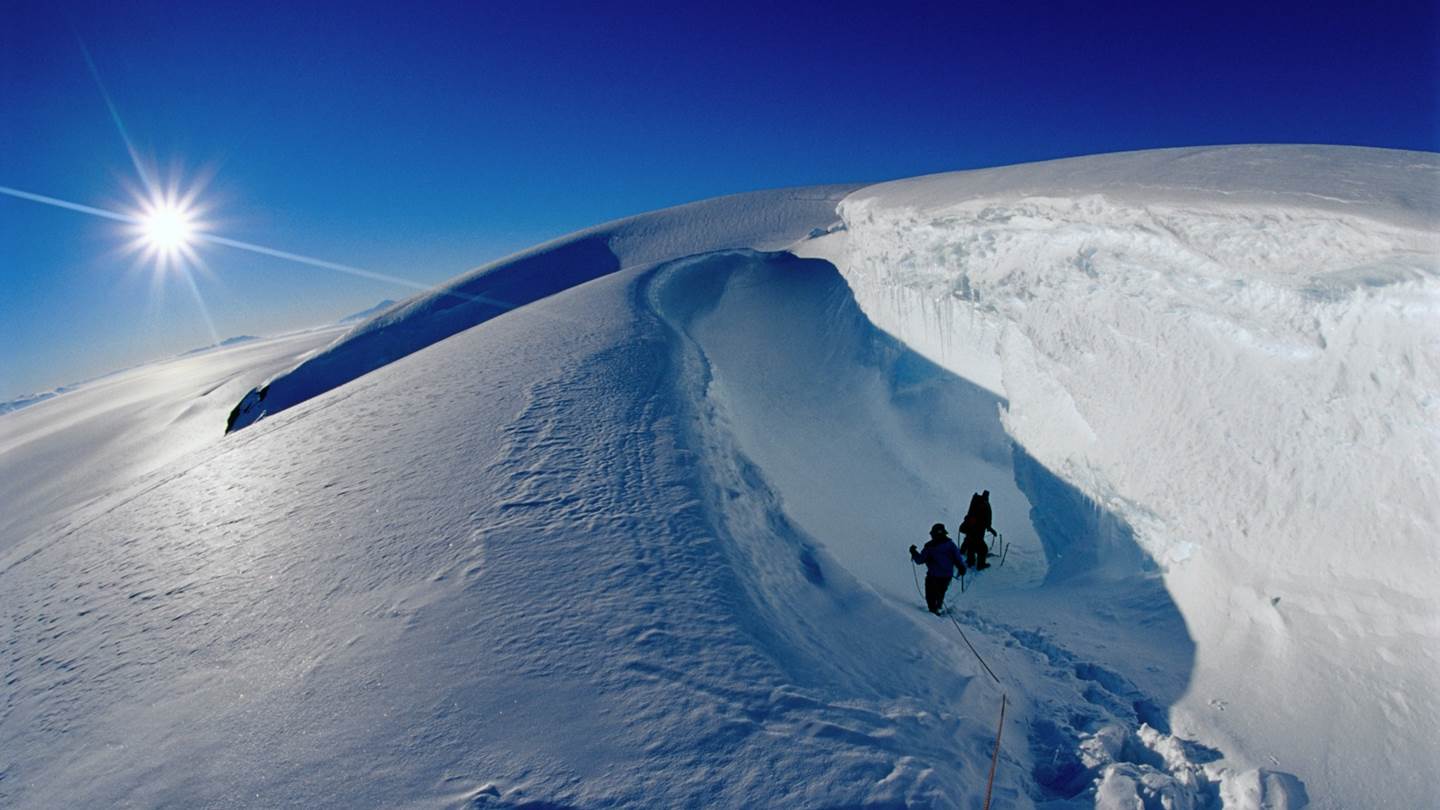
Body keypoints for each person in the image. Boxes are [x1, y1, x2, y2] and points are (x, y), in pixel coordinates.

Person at [910, 523, 966, 614]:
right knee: (940, 592)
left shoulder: (930, 547)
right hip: (947, 576)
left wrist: (913, 552)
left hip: (933, 576)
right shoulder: (950, 544)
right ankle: (938, 606)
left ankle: (934, 613)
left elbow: (920, 560)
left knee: (930, 595)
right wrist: (961, 567)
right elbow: (958, 558)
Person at [959, 490, 998, 570]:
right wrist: (990, 529)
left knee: (970, 544)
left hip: (971, 529)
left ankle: (970, 561)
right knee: (983, 549)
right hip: (977, 531)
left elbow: (971, 516)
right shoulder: (984, 505)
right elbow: (985, 520)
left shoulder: (976, 502)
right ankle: (980, 565)